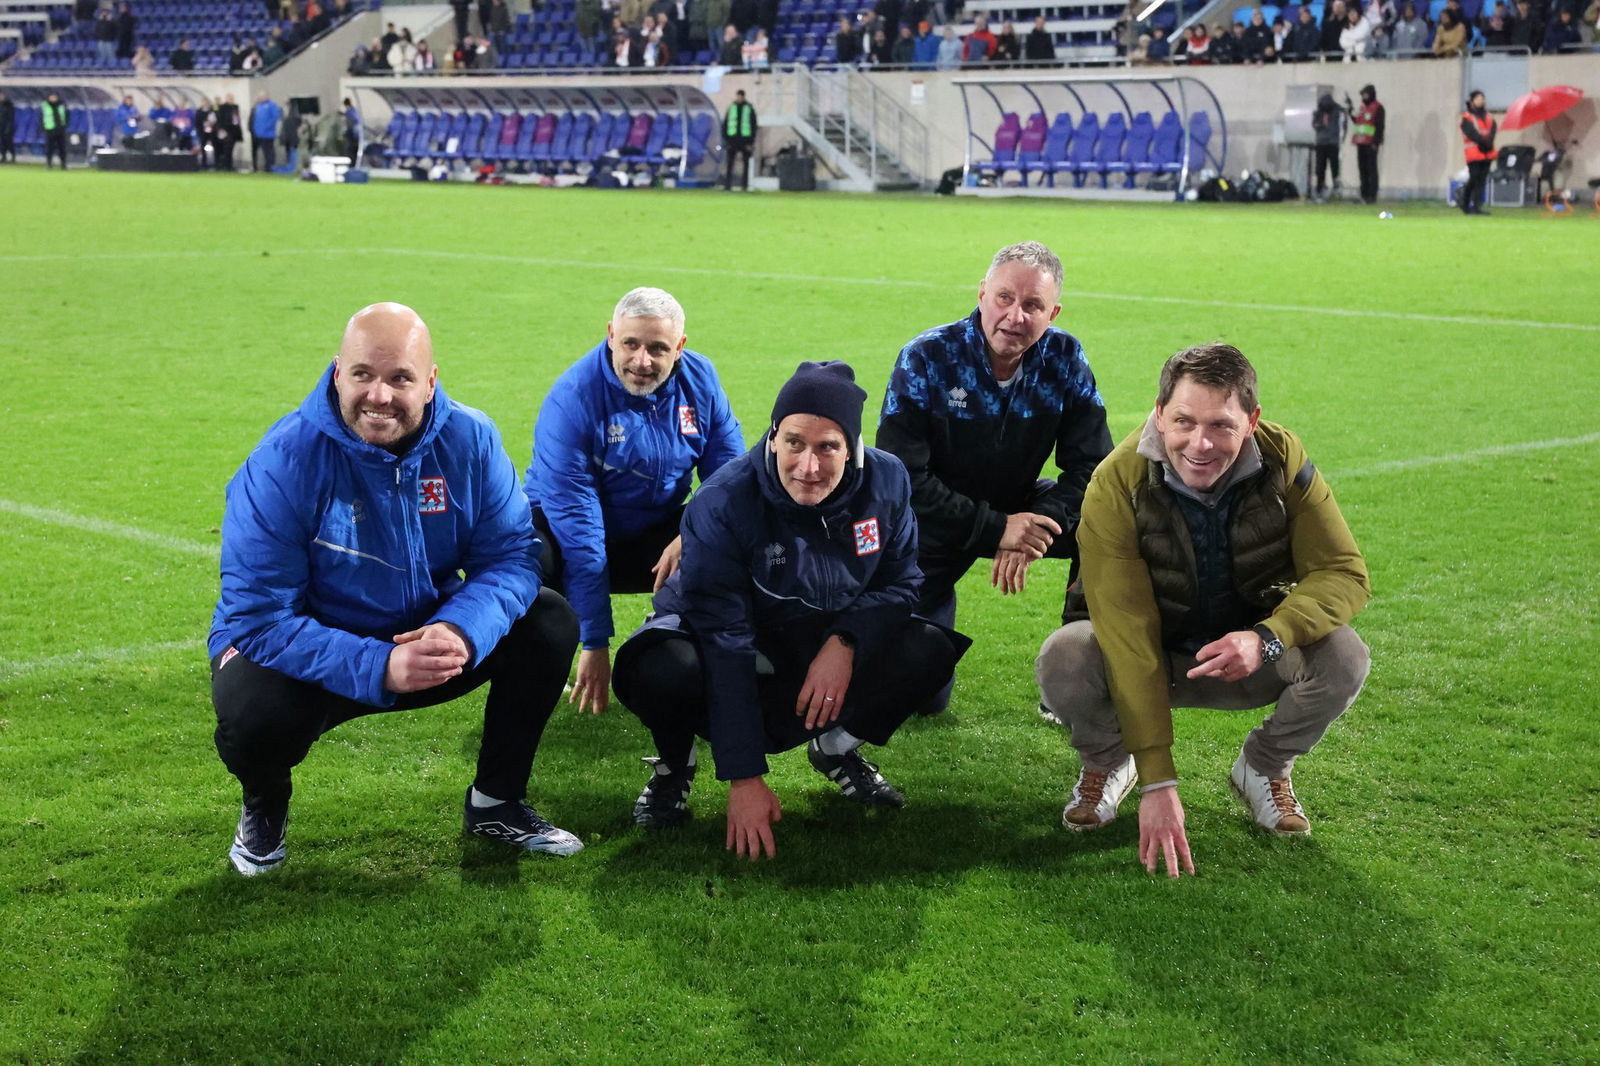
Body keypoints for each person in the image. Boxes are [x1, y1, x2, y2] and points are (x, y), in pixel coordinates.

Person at [209, 303, 584, 877]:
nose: (378, 395)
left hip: (425, 636)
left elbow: (512, 555)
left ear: (430, 382)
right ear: (338, 372)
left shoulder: (472, 440)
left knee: (547, 621)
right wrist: (380, 664)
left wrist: (461, 629)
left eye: (400, 378)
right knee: (251, 717)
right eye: (363, 375)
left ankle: (495, 802)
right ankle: (264, 805)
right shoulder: (283, 461)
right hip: (312, 647)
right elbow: (259, 618)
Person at [1036, 343, 1371, 878]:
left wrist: (1267, 636)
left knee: (1344, 654)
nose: (1200, 443)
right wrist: (1158, 780)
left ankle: (1262, 767)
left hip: (1248, 656)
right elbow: (1126, 634)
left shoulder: (1284, 459)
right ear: (1158, 412)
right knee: (1066, 655)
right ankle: (1108, 761)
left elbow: (1344, 574)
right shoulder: (1115, 482)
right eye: (1183, 421)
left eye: (1221, 425)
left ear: (1252, 420)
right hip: (1151, 660)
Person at [611, 361, 970, 855]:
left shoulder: (887, 481)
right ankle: (675, 766)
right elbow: (724, 637)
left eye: (828, 447)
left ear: (853, 448)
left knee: (927, 646)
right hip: (727, 642)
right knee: (655, 667)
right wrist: (745, 777)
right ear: (774, 435)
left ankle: (837, 750)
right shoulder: (723, 501)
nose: (808, 466)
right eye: (795, 442)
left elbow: (903, 583)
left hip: (814, 642)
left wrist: (846, 640)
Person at [877, 241, 1112, 717]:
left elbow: (1094, 467)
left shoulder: (1065, 357)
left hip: (1022, 507)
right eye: (1005, 298)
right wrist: (995, 527)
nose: (1015, 316)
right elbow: (904, 481)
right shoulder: (925, 358)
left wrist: (1038, 521)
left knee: (1111, 519)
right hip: (932, 524)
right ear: (983, 293)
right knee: (921, 696)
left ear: (1053, 312)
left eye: (1033, 306)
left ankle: (1077, 672)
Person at [524, 288, 743, 718]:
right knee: (525, 564)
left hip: (654, 532)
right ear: (610, 336)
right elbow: (580, 530)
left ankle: (691, 656)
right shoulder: (573, 400)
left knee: (731, 538)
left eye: (658, 348)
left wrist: (693, 533)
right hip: (564, 530)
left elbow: (729, 480)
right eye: (631, 344)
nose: (642, 361)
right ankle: (530, 685)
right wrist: (595, 640)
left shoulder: (700, 381)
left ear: (680, 347)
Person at [1459, 89, 1497, 216]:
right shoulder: (1467, 117)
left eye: (1482, 98)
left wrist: (1488, 142)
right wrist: (1483, 142)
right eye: (1478, 98)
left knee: (1482, 180)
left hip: (1487, 153)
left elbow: (1492, 130)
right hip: (1474, 153)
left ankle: (1476, 207)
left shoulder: (1489, 117)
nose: (1481, 101)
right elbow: (1471, 133)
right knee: (1474, 179)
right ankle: (1465, 204)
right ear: (1472, 101)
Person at [1347, 84, 1385, 203]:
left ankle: (1372, 195)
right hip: (1361, 143)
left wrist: (1376, 142)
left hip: (1371, 144)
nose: (1363, 97)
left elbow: (1380, 126)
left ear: (1371, 94)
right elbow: (1358, 121)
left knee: (1371, 170)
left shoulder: (1378, 108)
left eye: (1365, 94)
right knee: (1362, 169)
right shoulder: (1362, 108)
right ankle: (1364, 194)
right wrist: (1350, 111)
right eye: (1362, 95)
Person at [722, 88, 757, 191]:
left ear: (743, 97)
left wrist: (751, 141)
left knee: (746, 164)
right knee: (730, 163)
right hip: (732, 140)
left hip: (745, 140)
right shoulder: (731, 107)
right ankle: (727, 185)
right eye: (738, 96)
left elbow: (753, 125)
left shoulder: (749, 108)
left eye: (741, 96)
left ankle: (744, 185)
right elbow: (726, 124)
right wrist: (726, 139)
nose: (740, 98)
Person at [1312, 91, 1343, 201]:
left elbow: (1342, 125)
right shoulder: (1318, 112)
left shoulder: (1338, 111)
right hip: (1321, 143)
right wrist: (1319, 124)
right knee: (1320, 168)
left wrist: (1340, 138)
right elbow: (1314, 125)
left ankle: (1336, 189)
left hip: (1332, 143)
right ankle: (1320, 190)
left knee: (1334, 167)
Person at [249, 91, 282, 172]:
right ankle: (265, 167)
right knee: (263, 152)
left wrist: (267, 128)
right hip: (259, 134)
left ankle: (270, 167)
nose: (260, 98)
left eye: (261, 96)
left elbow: (276, 118)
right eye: (259, 97)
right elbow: (255, 119)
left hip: (268, 134)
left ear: (266, 97)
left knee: (269, 152)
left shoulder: (272, 105)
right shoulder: (258, 106)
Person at [42, 93, 69, 169]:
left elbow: (67, 115)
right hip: (50, 129)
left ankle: (63, 164)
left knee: (62, 148)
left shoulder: (62, 105)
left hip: (60, 129)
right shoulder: (45, 106)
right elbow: (41, 117)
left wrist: (64, 126)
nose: (53, 99)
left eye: (54, 97)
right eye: (51, 97)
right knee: (49, 148)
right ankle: (49, 164)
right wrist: (43, 128)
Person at [0, 92, 14, 163]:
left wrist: (8, 128)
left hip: (8, 127)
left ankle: (13, 156)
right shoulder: (1, 106)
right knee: (2, 143)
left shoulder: (9, 105)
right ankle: (3, 156)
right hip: (1, 127)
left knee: (9, 143)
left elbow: (11, 118)